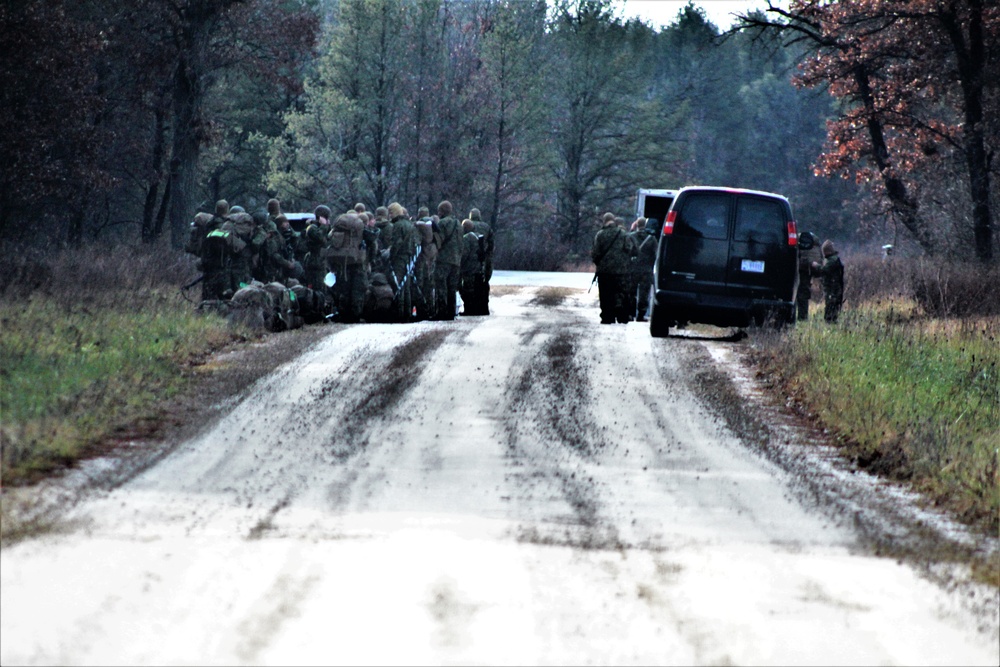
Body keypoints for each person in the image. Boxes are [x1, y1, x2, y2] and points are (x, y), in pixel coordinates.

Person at [591, 212, 631, 324]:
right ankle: (622, 316)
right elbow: (629, 249)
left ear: (604, 221)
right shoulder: (623, 234)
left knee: (605, 294)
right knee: (621, 293)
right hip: (621, 271)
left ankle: (607, 317)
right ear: (614, 221)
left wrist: (599, 263)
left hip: (604, 271)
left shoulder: (600, 234)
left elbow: (595, 253)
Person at [387, 202, 418, 321]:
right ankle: (407, 313)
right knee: (407, 286)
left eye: (390, 212)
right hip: (409, 258)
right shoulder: (409, 224)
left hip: (399, 258)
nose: (389, 215)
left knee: (398, 285)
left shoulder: (397, 226)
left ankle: (399, 314)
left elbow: (396, 244)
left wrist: (391, 256)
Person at [434, 200, 463, 320]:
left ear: (442, 211)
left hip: (444, 259)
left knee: (441, 285)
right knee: (451, 287)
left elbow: (439, 241)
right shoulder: (459, 224)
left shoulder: (443, 223)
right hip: (456, 261)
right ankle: (451, 312)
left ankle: (441, 312)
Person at [632, 217, 658, 322]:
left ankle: (630, 314)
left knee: (631, 292)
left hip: (632, 269)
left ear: (636, 225)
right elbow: (655, 255)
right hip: (646, 269)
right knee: (644, 293)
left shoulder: (630, 237)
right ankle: (641, 315)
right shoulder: (651, 239)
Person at [468, 208, 494, 315]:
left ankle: (472, 308)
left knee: (470, 283)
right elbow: (491, 243)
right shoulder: (486, 227)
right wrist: (488, 255)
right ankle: (484, 307)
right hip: (484, 258)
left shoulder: (467, 225)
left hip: (470, 259)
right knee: (484, 282)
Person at [459, 219, 487, 315]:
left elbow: (464, 254)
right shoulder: (479, 236)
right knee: (476, 289)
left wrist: (460, 264)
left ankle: (469, 310)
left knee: (467, 290)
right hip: (478, 267)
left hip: (469, 268)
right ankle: (477, 309)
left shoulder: (467, 237)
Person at [813, 239, 844, 323]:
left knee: (831, 302)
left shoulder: (832, 260)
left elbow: (825, 270)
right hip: (833, 286)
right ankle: (831, 319)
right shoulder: (833, 259)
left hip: (832, 286)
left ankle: (830, 319)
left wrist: (816, 266)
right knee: (832, 302)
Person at [796, 231, 820, 321]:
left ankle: (801, 317)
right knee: (803, 293)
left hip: (801, 269)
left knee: (801, 293)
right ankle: (803, 317)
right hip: (807, 270)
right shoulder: (813, 243)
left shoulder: (799, 240)